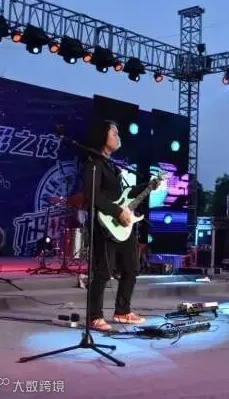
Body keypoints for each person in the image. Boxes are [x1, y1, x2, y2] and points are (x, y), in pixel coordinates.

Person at [82, 119, 161, 332]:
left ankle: (122, 311)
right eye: (114, 133)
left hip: (123, 226)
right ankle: (94, 317)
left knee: (131, 268)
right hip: (105, 225)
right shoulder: (94, 164)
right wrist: (117, 212)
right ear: (102, 136)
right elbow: (92, 195)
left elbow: (125, 194)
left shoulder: (112, 166)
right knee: (103, 272)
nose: (119, 137)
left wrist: (149, 186)